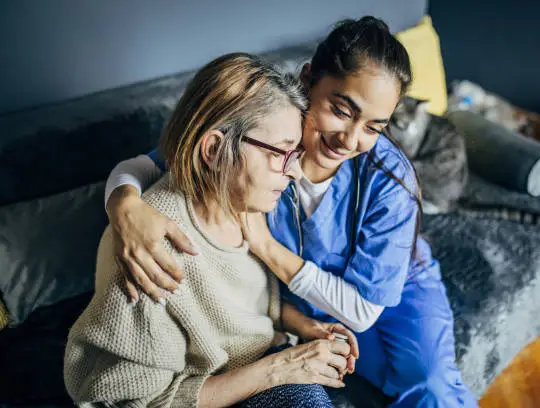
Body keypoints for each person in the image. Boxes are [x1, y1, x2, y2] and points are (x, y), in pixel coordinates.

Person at [104, 17, 478, 407]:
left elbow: (363, 311)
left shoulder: (389, 177)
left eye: (373, 127)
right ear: (307, 80)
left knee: (430, 384)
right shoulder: (265, 128)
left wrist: (266, 246)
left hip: (393, 288)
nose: (349, 140)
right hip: (307, 299)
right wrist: (125, 205)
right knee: (374, 377)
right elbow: (147, 165)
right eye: (342, 110)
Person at [64, 53, 360, 408]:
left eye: (295, 154)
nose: (295, 173)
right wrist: (279, 369)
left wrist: (302, 324)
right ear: (215, 148)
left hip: (260, 360)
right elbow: (131, 400)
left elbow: (235, 307)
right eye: (282, 154)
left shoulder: (246, 204)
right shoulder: (152, 250)